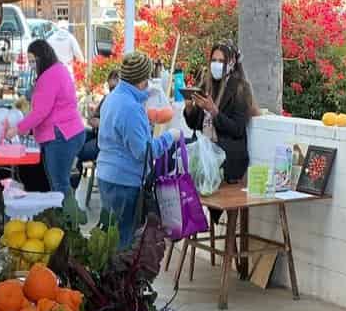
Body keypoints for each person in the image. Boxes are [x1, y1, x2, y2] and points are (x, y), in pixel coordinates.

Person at [96, 50, 174, 248]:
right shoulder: (130, 107)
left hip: (106, 176)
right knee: (123, 241)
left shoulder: (112, 98)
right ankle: (119, 279)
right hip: (124, 181)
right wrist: (169, 138)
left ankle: (109, 277)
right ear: (141, 80)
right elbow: (144, 152)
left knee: (110, 237)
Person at [13, 39, 87, 194]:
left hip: (61, 135)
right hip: (69, 133)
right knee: (58, 183)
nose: (32, 65)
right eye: (30, 61)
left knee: (59, 184)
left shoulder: (49, 76)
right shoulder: (58, 69)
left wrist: (18, 129)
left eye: (34, 61)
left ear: (42, 57)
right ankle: (62, 215)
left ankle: (66, 217)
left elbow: (40, 112)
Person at [183, 40, 253, 185]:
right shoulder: (206, 83)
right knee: (175, 147)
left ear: (232, 62)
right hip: (205, 150)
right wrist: (190, 108)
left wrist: (214, 112)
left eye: (221, 61)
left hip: (228, 155)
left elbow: (237, 129)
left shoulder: (240, 88)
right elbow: (196, 125)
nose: (216, 64)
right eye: (214, 60)